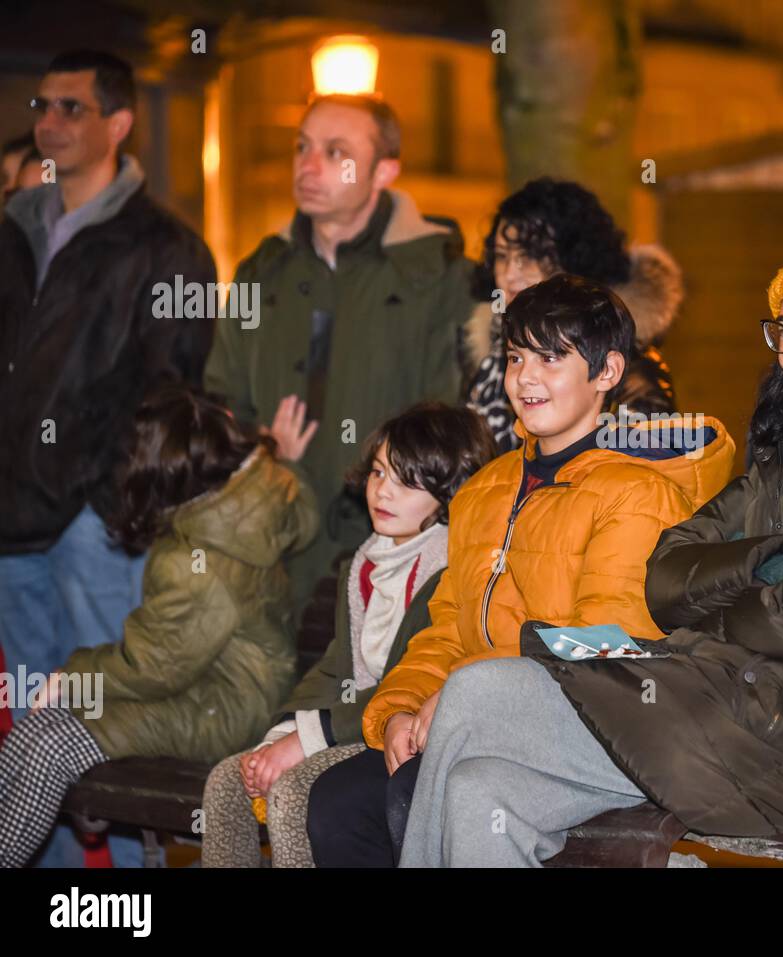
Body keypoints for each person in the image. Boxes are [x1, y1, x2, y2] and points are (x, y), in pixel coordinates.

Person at [393, 189, 783, 868]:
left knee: (480, 690)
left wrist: (753, 594)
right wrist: (773, 564)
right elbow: (667, 573)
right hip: (719, 695)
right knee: (478, 790)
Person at [306, 274, 735, 866]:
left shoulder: (637, 494)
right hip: (479, 716)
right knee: (339, 801)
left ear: (607, 372)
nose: (525, 378)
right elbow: (447, 626)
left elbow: (605, 644)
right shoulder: (485, 490)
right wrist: (404, 705)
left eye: (552, 358)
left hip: (608, 723)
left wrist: (460, 697)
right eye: (516, 357)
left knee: (435, 759)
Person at [0, 49, 217, 867]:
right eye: (42, 106)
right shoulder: (15, 233)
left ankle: (124, 896)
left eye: (71, 108)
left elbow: (172, 392)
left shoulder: (165, 247)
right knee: (33, 736)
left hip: (94, 527)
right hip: (13, 521)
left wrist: (104, 498)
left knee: (107, 731)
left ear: (119, 123)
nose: (48, 122)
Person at [0, 385, 317, 868]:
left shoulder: (202, 561)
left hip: (223, 705)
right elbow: (305, 510)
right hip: (226, 684)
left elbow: (154, 665)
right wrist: (283, 457)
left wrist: (72, 676)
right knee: (40, 737)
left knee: (49, 741)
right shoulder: (255, 491)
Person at [204, 94, 477, 625]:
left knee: (367, 701)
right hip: (275, 542)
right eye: (302, 147)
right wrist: (263, 458)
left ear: (385, 170)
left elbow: (460, 421)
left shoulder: (442, 276)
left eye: (336, 152)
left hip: (397, 550)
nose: (309, 165)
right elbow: (222, 399)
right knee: (278, 702)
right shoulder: (262, 271)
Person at [201, 402, 496, 867]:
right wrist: (281, 732)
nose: (383, 492)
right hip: (351, 721)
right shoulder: (366, 562)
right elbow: (336, 666)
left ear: (450, 491)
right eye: (379, 473)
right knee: (226, 782)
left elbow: (404, 685)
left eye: (406, 481)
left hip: (397, 729)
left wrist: (305, 740)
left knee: (294, 793)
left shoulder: (447, 569)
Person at [461, 177, 682, 450]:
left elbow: (646, 475)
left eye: (532, 255)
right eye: (502, 256)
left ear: (577, 259)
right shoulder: (492, 352)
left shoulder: (630, 367)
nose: (510, 273)